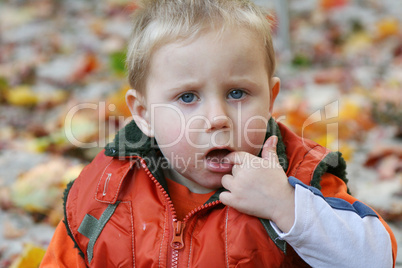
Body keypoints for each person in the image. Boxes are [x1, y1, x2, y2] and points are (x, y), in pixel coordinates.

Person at [41, 0, 397, 267]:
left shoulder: (299, 178)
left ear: (270, 99)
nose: (216, 118)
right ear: (144, 114)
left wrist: (286, 206)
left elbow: (376, 257)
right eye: (187, 97)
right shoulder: (105, 193)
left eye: (237, 93)